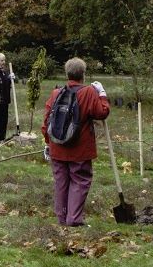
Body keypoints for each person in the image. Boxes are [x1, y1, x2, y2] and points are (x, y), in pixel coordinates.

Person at [41, 58, 112, 229]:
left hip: (57, 147)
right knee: (80, 180)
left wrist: (48, 143)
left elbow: (47, 121)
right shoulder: (88, 92)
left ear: (67, 74)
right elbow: (101, 112)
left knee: (61, 182)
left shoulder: (56, 93)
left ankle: (62, 218)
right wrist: (101, 94)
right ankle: (74, 219)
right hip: (79, 149)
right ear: (83, 74)